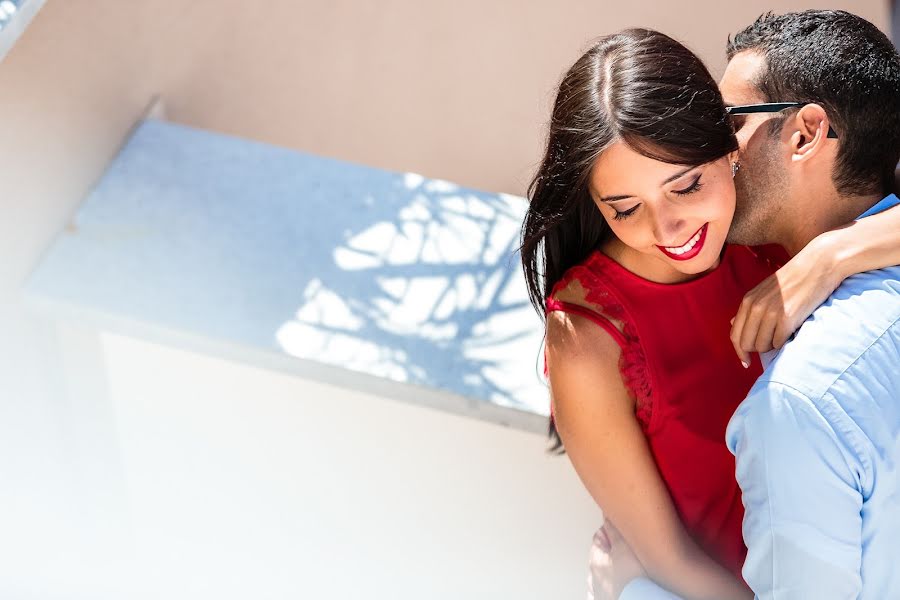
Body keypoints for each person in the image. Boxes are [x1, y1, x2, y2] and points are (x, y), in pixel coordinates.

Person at [517, 20, 900, 600]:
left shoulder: (766, 224)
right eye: (624, 209)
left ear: (724, 150)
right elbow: (671, 560)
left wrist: (831, 254)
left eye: (686, 185)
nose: (666, 228)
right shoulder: (587, 334)